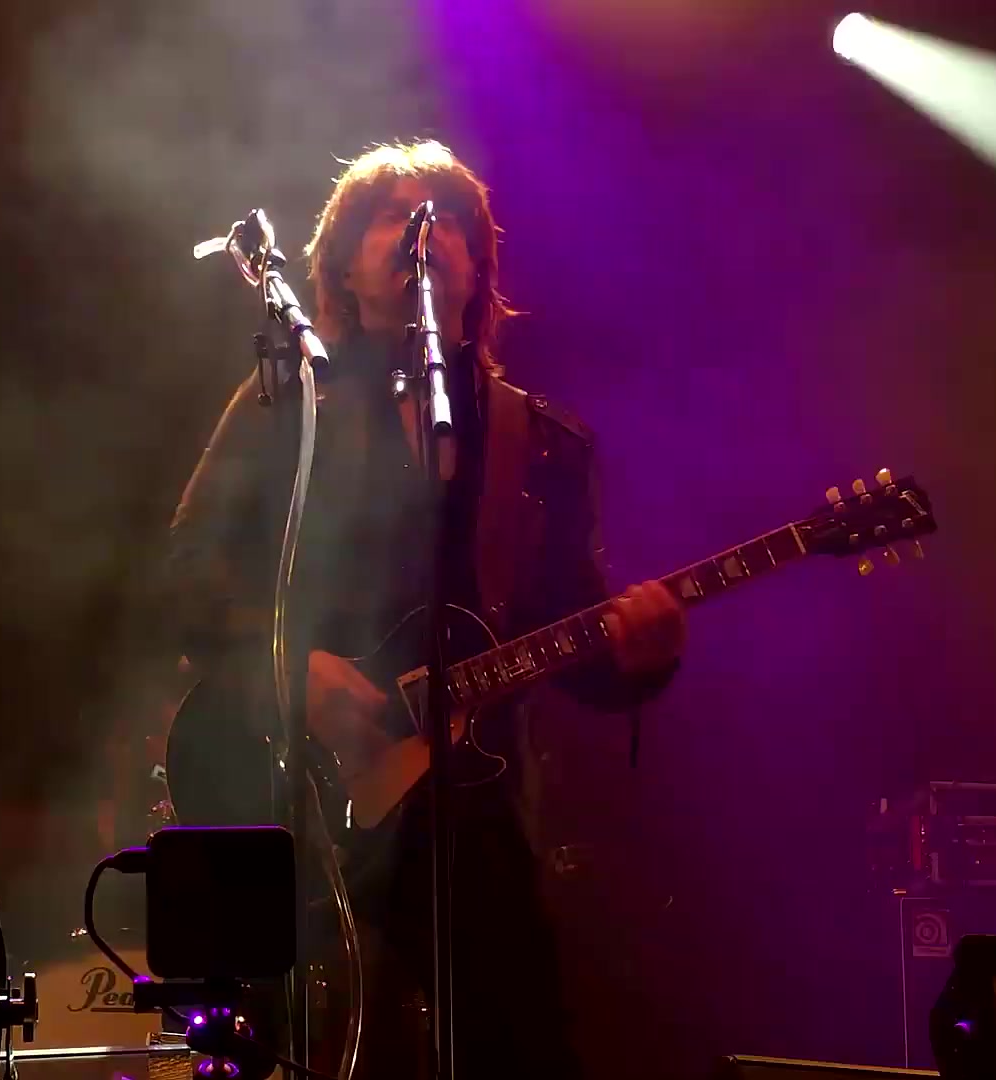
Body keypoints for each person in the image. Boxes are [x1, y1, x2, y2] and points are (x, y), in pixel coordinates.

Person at [166, 140, 686, 1078]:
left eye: (447, 216)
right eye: (391, 214)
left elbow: (568, 630)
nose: (422, 228)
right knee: (268, 1045)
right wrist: (293, 673)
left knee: (519, 1046)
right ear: (341, 267)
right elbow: (189, 577)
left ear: (478, 268)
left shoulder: (541, 442)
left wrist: (642, 657)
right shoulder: (290, 403)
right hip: (287, 781)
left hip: (466, 802)